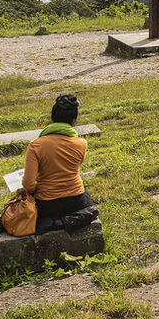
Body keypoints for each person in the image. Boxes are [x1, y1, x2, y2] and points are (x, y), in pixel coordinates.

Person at [23, 94, 97, 233]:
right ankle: (66, 221)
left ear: (52, 118)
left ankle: (52, 222)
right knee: (87, 200)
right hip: (76, 200)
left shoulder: (36, 145)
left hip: (47, 203)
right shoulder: (81, 143)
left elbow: (28, 184)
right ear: (73, 120)